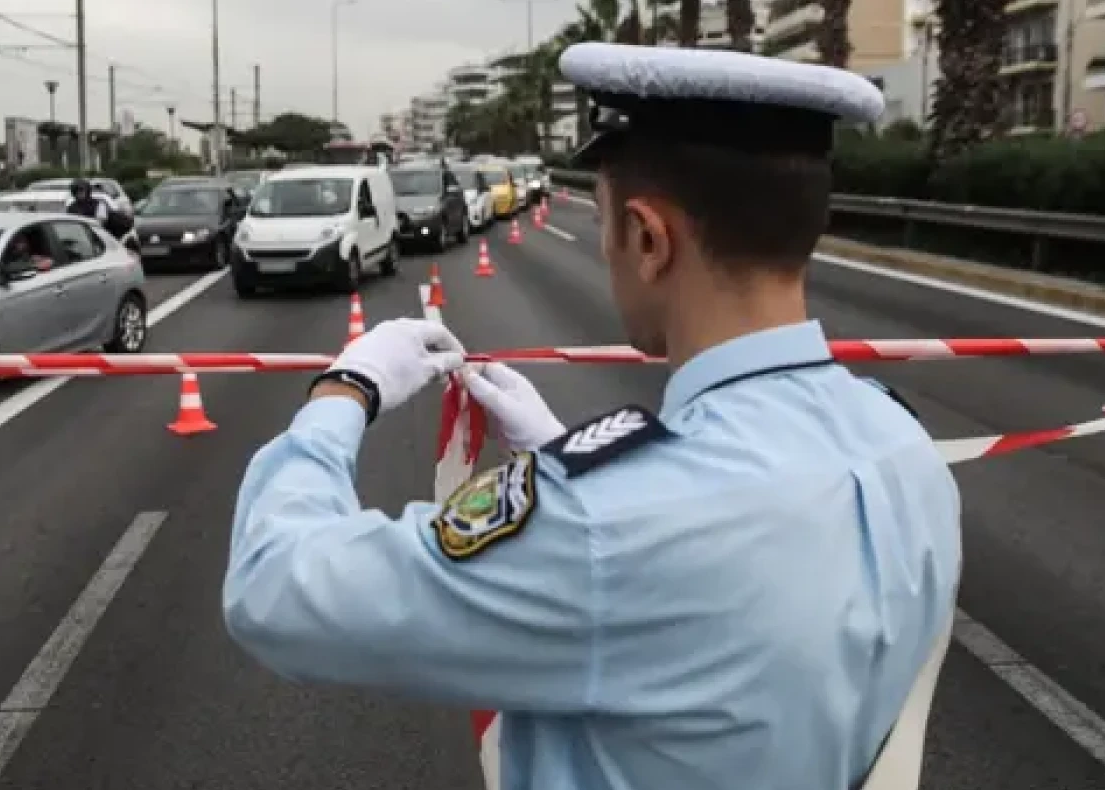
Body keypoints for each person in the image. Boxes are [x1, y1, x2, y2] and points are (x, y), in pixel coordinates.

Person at [222, 43, 962, 790]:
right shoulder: (900, 444)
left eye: (608, 226)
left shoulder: (599, 526)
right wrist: (560, 453)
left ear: (648, 239)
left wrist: (345, 390)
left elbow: (277, 588)